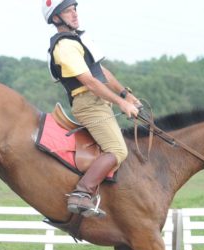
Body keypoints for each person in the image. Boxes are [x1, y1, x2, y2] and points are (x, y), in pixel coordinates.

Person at [42, 0, 141, 218]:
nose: (75, 14)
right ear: (56, 18)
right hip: (88, 103)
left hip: (98, 101)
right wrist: (121, 103)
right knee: (117, 151)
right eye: (68, 11)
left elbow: (101, 73)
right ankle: (81, 194)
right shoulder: (64, 46)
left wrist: (126, 94)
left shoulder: (78, 41)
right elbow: (91, 82)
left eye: (75, 9)